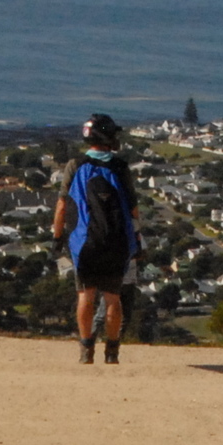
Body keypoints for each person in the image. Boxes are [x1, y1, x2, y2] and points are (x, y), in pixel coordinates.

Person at [51, 115, 141, 364]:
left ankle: (86, 348)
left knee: (86, 296)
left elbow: (61, 205)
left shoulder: (75, 165)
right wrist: (137, 241)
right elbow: (133, 210)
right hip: (116, 243)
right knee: (113, 298)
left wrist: (57, 238)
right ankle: (112, 351)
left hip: (85, 244)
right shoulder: (120, 167)